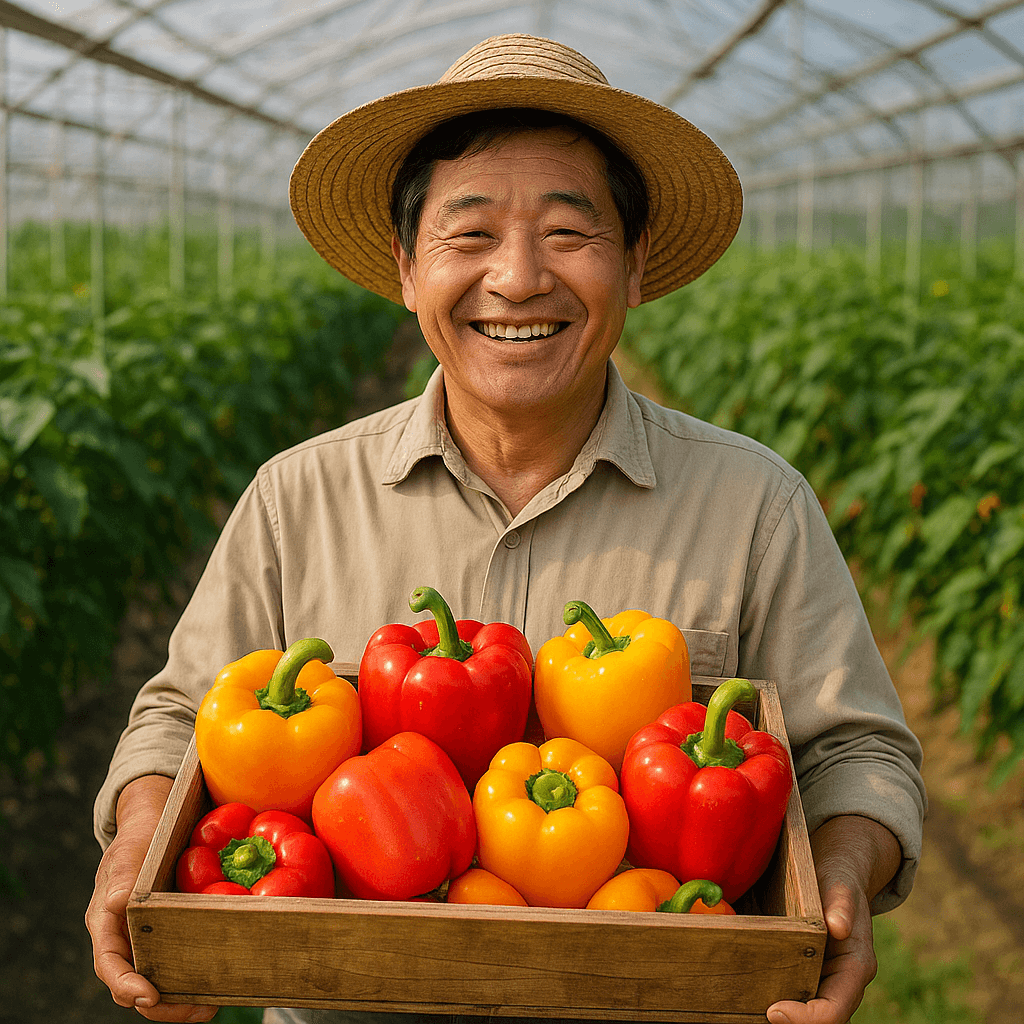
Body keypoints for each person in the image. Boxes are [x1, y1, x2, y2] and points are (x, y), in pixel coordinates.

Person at [86, 33, 926, 1024]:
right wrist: (135, 854)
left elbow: (854, 755)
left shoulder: (756, 504)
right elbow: (177, 724)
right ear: (405, 269)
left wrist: (840, 872)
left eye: (569, 234)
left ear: (637, 263)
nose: (519, 278)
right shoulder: (297, 496)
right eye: (469, 235)